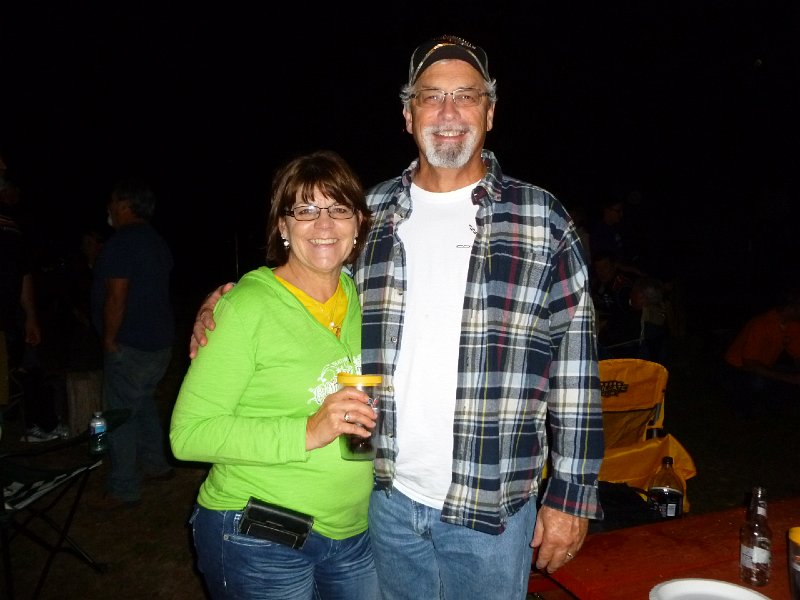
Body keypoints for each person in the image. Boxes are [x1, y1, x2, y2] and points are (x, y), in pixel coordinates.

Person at [190, 35, 604, 599]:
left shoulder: (541, 219)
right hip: (384, 502)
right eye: (432, 97)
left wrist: (571, 495)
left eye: (466, 95)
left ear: (490, 111)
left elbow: (576, 368)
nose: (449, 112)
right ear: (409, 115)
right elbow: (309, 284)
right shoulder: (374, 213)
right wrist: (223, 303)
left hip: (491, 510)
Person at [170, 150, 378, 599]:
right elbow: (187, 435)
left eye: (338, 209)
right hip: (259, 532)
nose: (324, 225)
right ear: (283, 227)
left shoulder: (371, 300)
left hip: (354, 533)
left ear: (358, 224)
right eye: (305, 210)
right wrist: (306, 431)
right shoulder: (246, 308)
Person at [89, 178, 175, 509]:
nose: (108, 208)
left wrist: (109, 339)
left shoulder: (123, 242)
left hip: (131, 343)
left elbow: (116, 295)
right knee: (142, 403)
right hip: (158, 343)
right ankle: (156, 465)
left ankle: (123, 486)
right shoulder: (155, 241)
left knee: (120, 414)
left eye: (112, 201)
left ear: (125, 205)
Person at [720, 287, 800, 417]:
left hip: (762, 367)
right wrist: (789, 378)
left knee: (782, 376)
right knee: (758, 382)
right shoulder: (761, 324)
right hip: (737, 369)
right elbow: (749, 363)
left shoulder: (793, 325)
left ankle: (774, 404)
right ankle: (743, 406)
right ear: (791, 308)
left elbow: (797, 353)